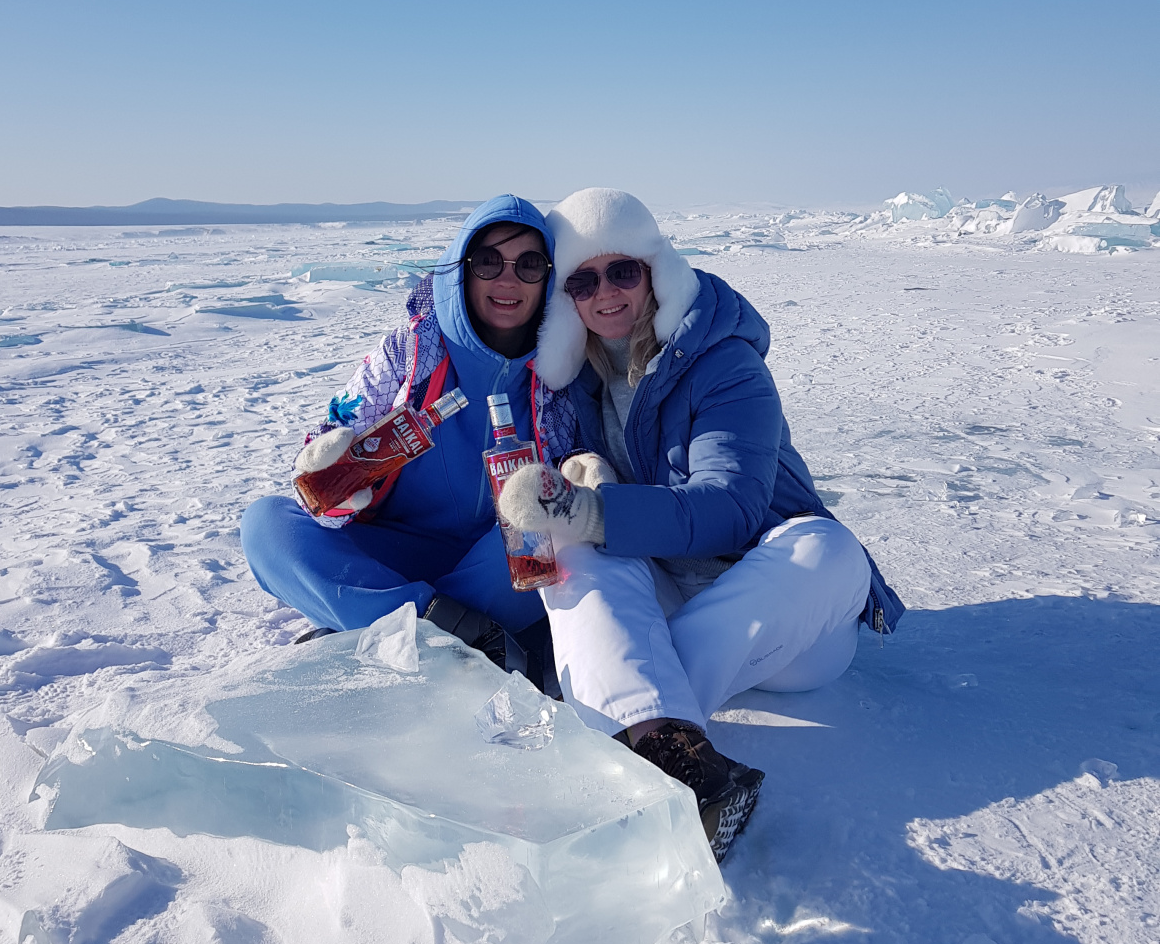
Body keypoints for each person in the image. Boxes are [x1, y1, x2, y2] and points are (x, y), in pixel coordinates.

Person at [498, 188, 904, 860]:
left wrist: (596, 511)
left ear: (655, 269)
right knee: (568, 554)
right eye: (582, 279)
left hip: (784, 617)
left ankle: (611, 731)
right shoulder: (578, 382)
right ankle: (670, 754)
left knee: (828, 548)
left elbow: (731, 507)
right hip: (669, 586)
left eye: (622, 270)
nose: (605, 293)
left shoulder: (722, 361)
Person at [241, 195, 577, 680]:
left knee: (563, 538)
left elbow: (581, 473)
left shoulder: (562, 369)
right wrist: (332, 468)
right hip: (389, 548)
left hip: (492, 565)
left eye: (529, 264)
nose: (508, 279)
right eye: (488, 262)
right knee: (266, 525)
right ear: (462, 268)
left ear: (548, 277)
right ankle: (457, 635)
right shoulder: (411, 351)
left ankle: (373, 628)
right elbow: (328, 449)